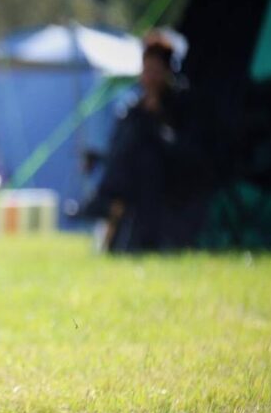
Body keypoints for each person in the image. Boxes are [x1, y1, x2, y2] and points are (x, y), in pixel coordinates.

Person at [81, 31, 206, 252]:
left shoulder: (183, 104)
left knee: (144, 157)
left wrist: (156, 121)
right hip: (138, 178)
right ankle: (109, 197)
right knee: (135, 145)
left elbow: (187, 151)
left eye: (155, 71)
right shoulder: (135, 108)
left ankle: (105, 199)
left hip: (175, 175)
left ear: (168, 72)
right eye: (146, 70)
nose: (149, 77)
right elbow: (119, 145)